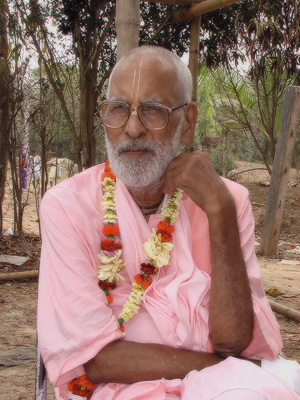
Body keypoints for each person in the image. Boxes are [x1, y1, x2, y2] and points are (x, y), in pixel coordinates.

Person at [37, 46, 300, 400]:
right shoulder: (67, 206)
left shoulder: (228, 200)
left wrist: (219, 212)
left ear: (187, 122)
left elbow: (233, 341)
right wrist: (221, 367)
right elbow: (94, 360)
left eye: (152, 110)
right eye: (118, 108)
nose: (132, 128)